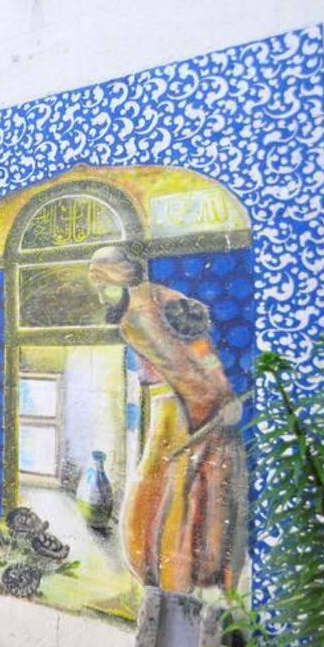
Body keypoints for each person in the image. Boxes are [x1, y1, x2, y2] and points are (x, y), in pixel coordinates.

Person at [87, 245, 247, 593]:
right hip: (190, 406)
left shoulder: (140, 318)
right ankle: (175, 571)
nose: (100, 295)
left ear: (118, 277)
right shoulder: (158, 301)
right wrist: (222, 395)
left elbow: (191, 364)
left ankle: (171, 573)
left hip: (180, 410)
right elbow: (202, 354)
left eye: (101, 285)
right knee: (179, 489)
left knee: (173, 491)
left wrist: (215, 399)